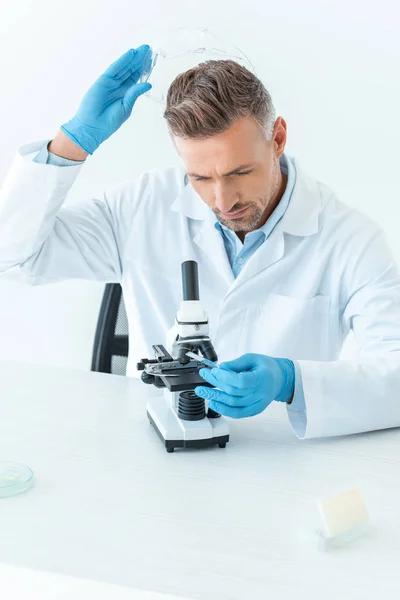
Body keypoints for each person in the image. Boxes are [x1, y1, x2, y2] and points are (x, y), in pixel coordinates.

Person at [1, 45, 399, 440]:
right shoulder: (142, 206)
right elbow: (16, 258)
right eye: (201, 179)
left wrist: (290, 381)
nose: (223, 202)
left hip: (279, 464)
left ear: (277, 138)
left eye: (240, 172)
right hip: (151, 451)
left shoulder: (350, 240)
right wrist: (70, 145)